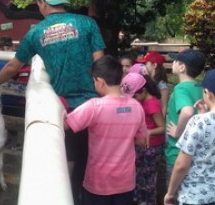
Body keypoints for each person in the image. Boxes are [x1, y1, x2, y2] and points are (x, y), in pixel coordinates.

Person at [0, 0, 106, 204]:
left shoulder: (36, 33)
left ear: (42, 3)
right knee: (95, 157)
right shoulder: (88, 23)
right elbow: (101, 62)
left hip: (67, 108)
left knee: (72, 158)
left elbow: (13, 67)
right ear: (62, 1)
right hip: (97, 102)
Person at [64, 55, 147, 205]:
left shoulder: (94, 106)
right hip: (125, 182)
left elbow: (66, 124)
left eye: (94, 80)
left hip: (98, 182)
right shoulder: (136, 106)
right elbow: (141, 141)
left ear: (100, 81)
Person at [164, 69, 215, 205]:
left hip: (195, 195)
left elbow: (181, 165)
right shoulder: (202, 120)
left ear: (208, 93)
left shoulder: (199, 122)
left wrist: (170, 193)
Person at [165, 48, 206, 181]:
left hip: (177, 153)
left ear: (182, 67)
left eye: (175, 61)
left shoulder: (181, 88)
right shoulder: (201, 87)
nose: (172, 63)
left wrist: (178, 131)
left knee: (173, 196)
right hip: (196, 153)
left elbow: (187, 111)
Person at [124, 74, 165, 205]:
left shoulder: (152, 104)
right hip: (141, 145)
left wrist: (148, 132)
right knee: (138, 174)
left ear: (143, 90)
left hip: (152, 147)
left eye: (134, 96)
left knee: (148, 177)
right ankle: (138, 199)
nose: (133, 99)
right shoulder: (141, 102)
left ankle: (148, 201)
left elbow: (162, 127)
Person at [0, 35, 29, 117]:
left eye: (8, 48)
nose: (5, 51)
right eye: (2, 49)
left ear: (13, 47)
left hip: (18, 99)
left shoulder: (19, 62)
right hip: (3, 98)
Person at [137, 51, 169, 116]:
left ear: (154, 65)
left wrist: (161, 123)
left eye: (146, 64)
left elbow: (163, 107)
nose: (144, 66)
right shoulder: (146, 80)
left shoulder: (162, 85)